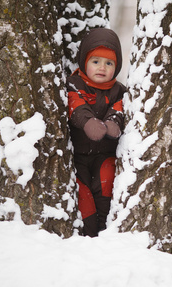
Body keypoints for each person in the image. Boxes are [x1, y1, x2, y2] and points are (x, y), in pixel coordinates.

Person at [67, 28, 126, 237]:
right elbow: (76, 105)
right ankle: (88, 234)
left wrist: (113, 122)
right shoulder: (75, 84)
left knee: (105, 186)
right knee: (84, 194)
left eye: (109, 63)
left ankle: (104, 231)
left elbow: (118, 108)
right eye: (96, 61)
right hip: (80, 156)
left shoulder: (119, 90)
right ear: (84, 62)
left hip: (105, 154)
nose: (102, 67)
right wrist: (88, 122)